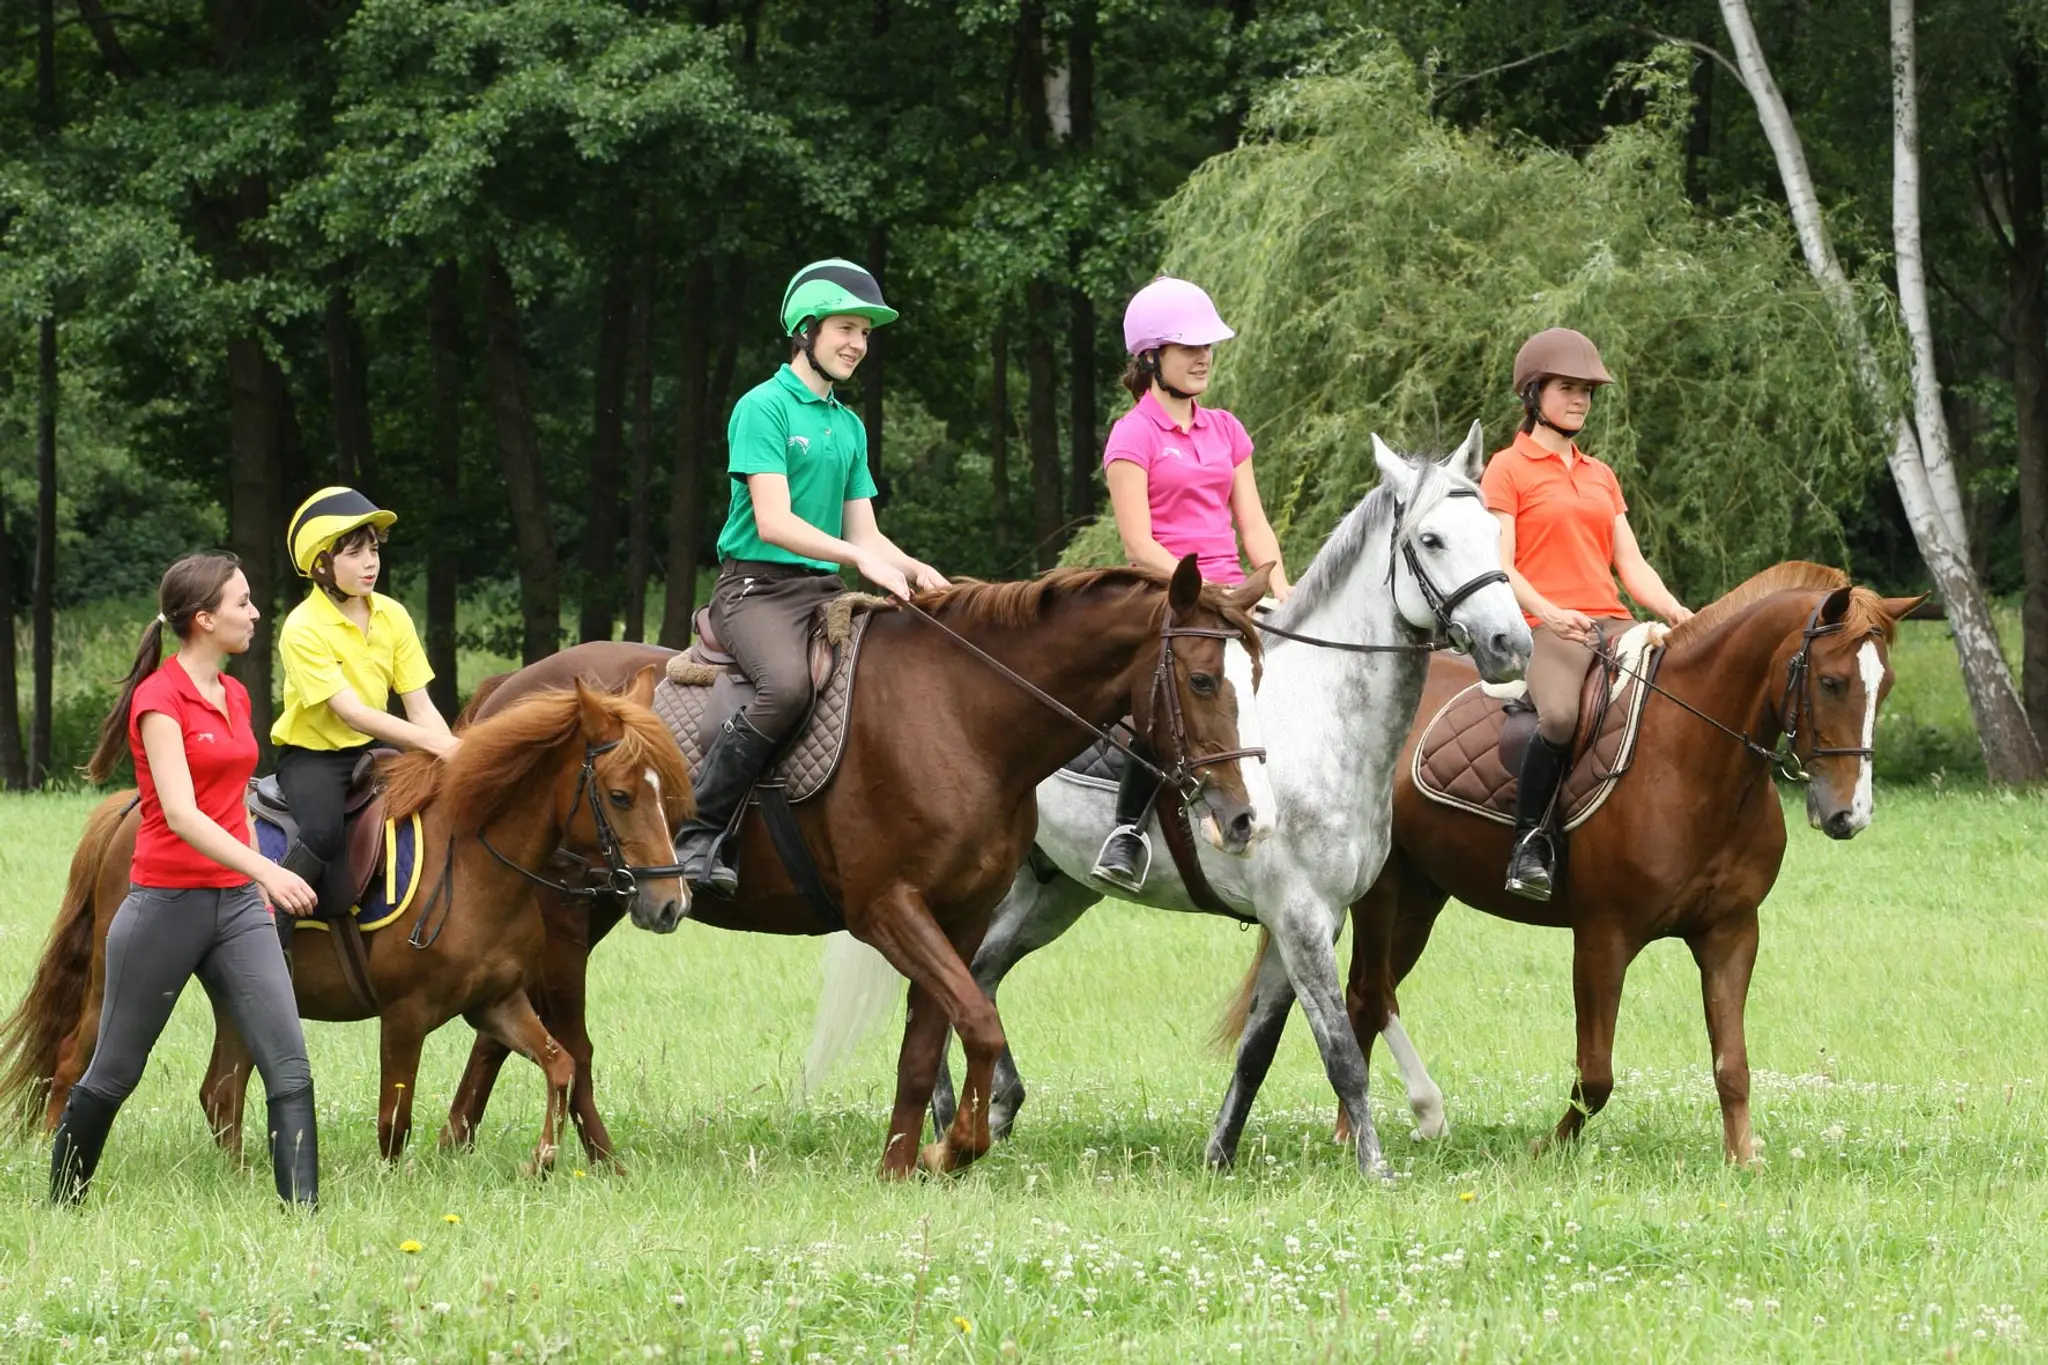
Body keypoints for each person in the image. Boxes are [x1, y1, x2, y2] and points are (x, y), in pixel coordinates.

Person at [51, 554, 322, 1207]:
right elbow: (179, 811)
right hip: (164, 907)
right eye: (242, 603)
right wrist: (268, 869)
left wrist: (252, 879)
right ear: (204, 619)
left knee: (289, 1067)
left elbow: (233, 801)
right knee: (115, 1071)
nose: (255, 613)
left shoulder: (234, 694)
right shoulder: (158, 698)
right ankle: (61, 1203)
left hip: (235, 908)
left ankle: (305, 1225)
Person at [672, 258, 948, 897]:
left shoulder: (847, 424)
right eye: (846, 329)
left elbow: (865, 533)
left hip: (819, 592)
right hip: (755, 591)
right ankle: (700, 833)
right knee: (790, 686)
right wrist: (860, 561)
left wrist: (914, 567)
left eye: (866, 334)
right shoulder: (761, 407)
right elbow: (773, 521)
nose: (858, 344)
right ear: (806, 331)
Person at [1090, 276, 1291, 893]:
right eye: (1188, 347)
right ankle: (1126, 830)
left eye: (1209, 346)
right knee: (1165, 694)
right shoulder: (1133, 435)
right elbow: (1137, 544)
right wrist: (1203, 596)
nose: (1204, 356)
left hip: (1234, 596)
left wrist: (1284, 592)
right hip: (1168, 593)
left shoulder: (1228, 429)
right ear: (1151, 357)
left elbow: (1253, 526)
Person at [1482, 328, 1693, 902]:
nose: (1580, 400)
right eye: (1568, 388)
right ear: (1534, 394)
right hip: (1546, 629)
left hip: (1614, 622)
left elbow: (1632, 564)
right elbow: (1500, 566)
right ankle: (1529, 843)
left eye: (1587, 391)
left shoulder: (1600, 474)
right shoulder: (1507, 468)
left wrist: (1676, 609)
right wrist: (1550, 614)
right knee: (1558, 718)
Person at [271, 487, 457, 954]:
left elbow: (419, 704)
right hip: (314, 756)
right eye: (354, 553)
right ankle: (269, 935)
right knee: (321, 830)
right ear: (320, 565)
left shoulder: (392, 614)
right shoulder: (302, 627)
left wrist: (458, 755)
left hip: (375, 752)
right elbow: (352, 712)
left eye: (372, 549)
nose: (369, 562)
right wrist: (442, 747)